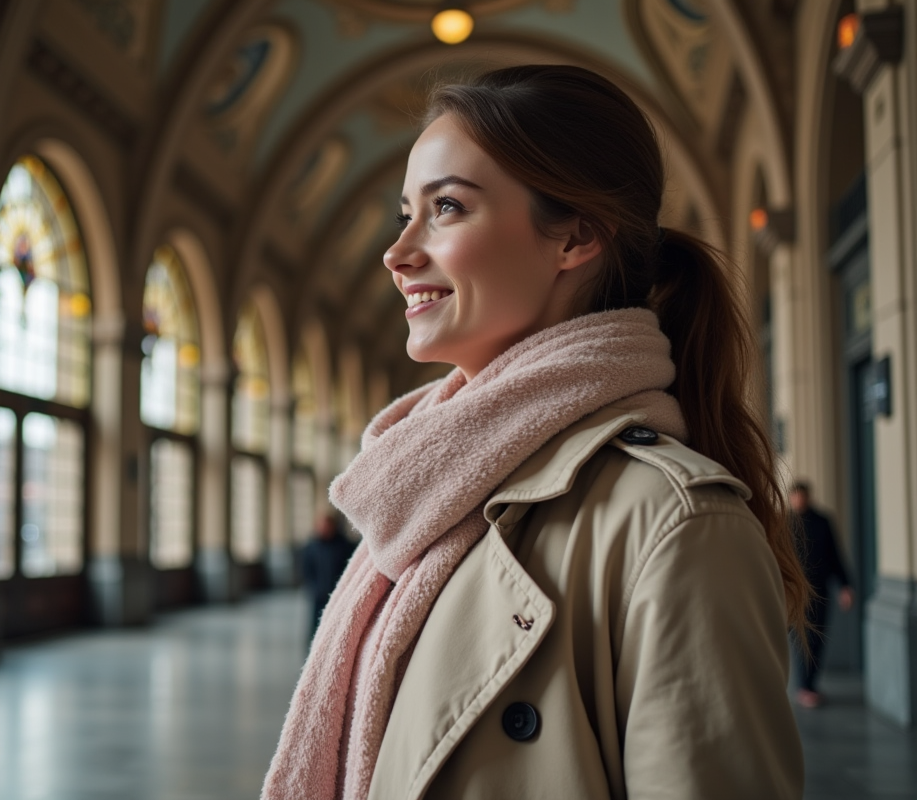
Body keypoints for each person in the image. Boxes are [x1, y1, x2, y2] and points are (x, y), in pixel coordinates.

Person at [262, 65, 808, 800]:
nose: (397, 253)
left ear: (575, 238)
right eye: (405, 213)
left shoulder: (674, 523)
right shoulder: (421, 501)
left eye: (447, 207)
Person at [789, 480, 854, 708]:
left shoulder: (823, 521)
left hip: (820, 590)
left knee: (817, 638)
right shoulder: (784, 523)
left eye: (802, 496)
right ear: (791, 498)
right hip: (795, 592)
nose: (799, 500)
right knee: (800, 638)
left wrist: (845, 586)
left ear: (808, 496)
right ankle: (803, 686)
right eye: (795, 496)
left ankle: (810, 685)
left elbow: (835, 555)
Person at [300, 513, 357, 639]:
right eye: (322, 526)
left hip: (339, 595)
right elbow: (306, 570)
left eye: (327, 525)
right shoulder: (311, 547)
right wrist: (314, 588)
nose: (325, 529)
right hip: (319, 596)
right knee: (316, 627)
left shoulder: (344, 546)